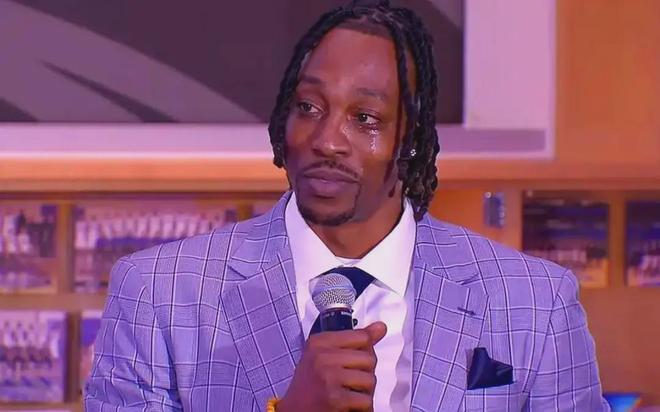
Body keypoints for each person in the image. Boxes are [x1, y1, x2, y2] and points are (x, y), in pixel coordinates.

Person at [84, 1, 609, 411]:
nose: (327, 140)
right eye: (309, 107)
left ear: (411, 139)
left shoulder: (534, 303)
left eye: (365, 118)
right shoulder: (158, 294)